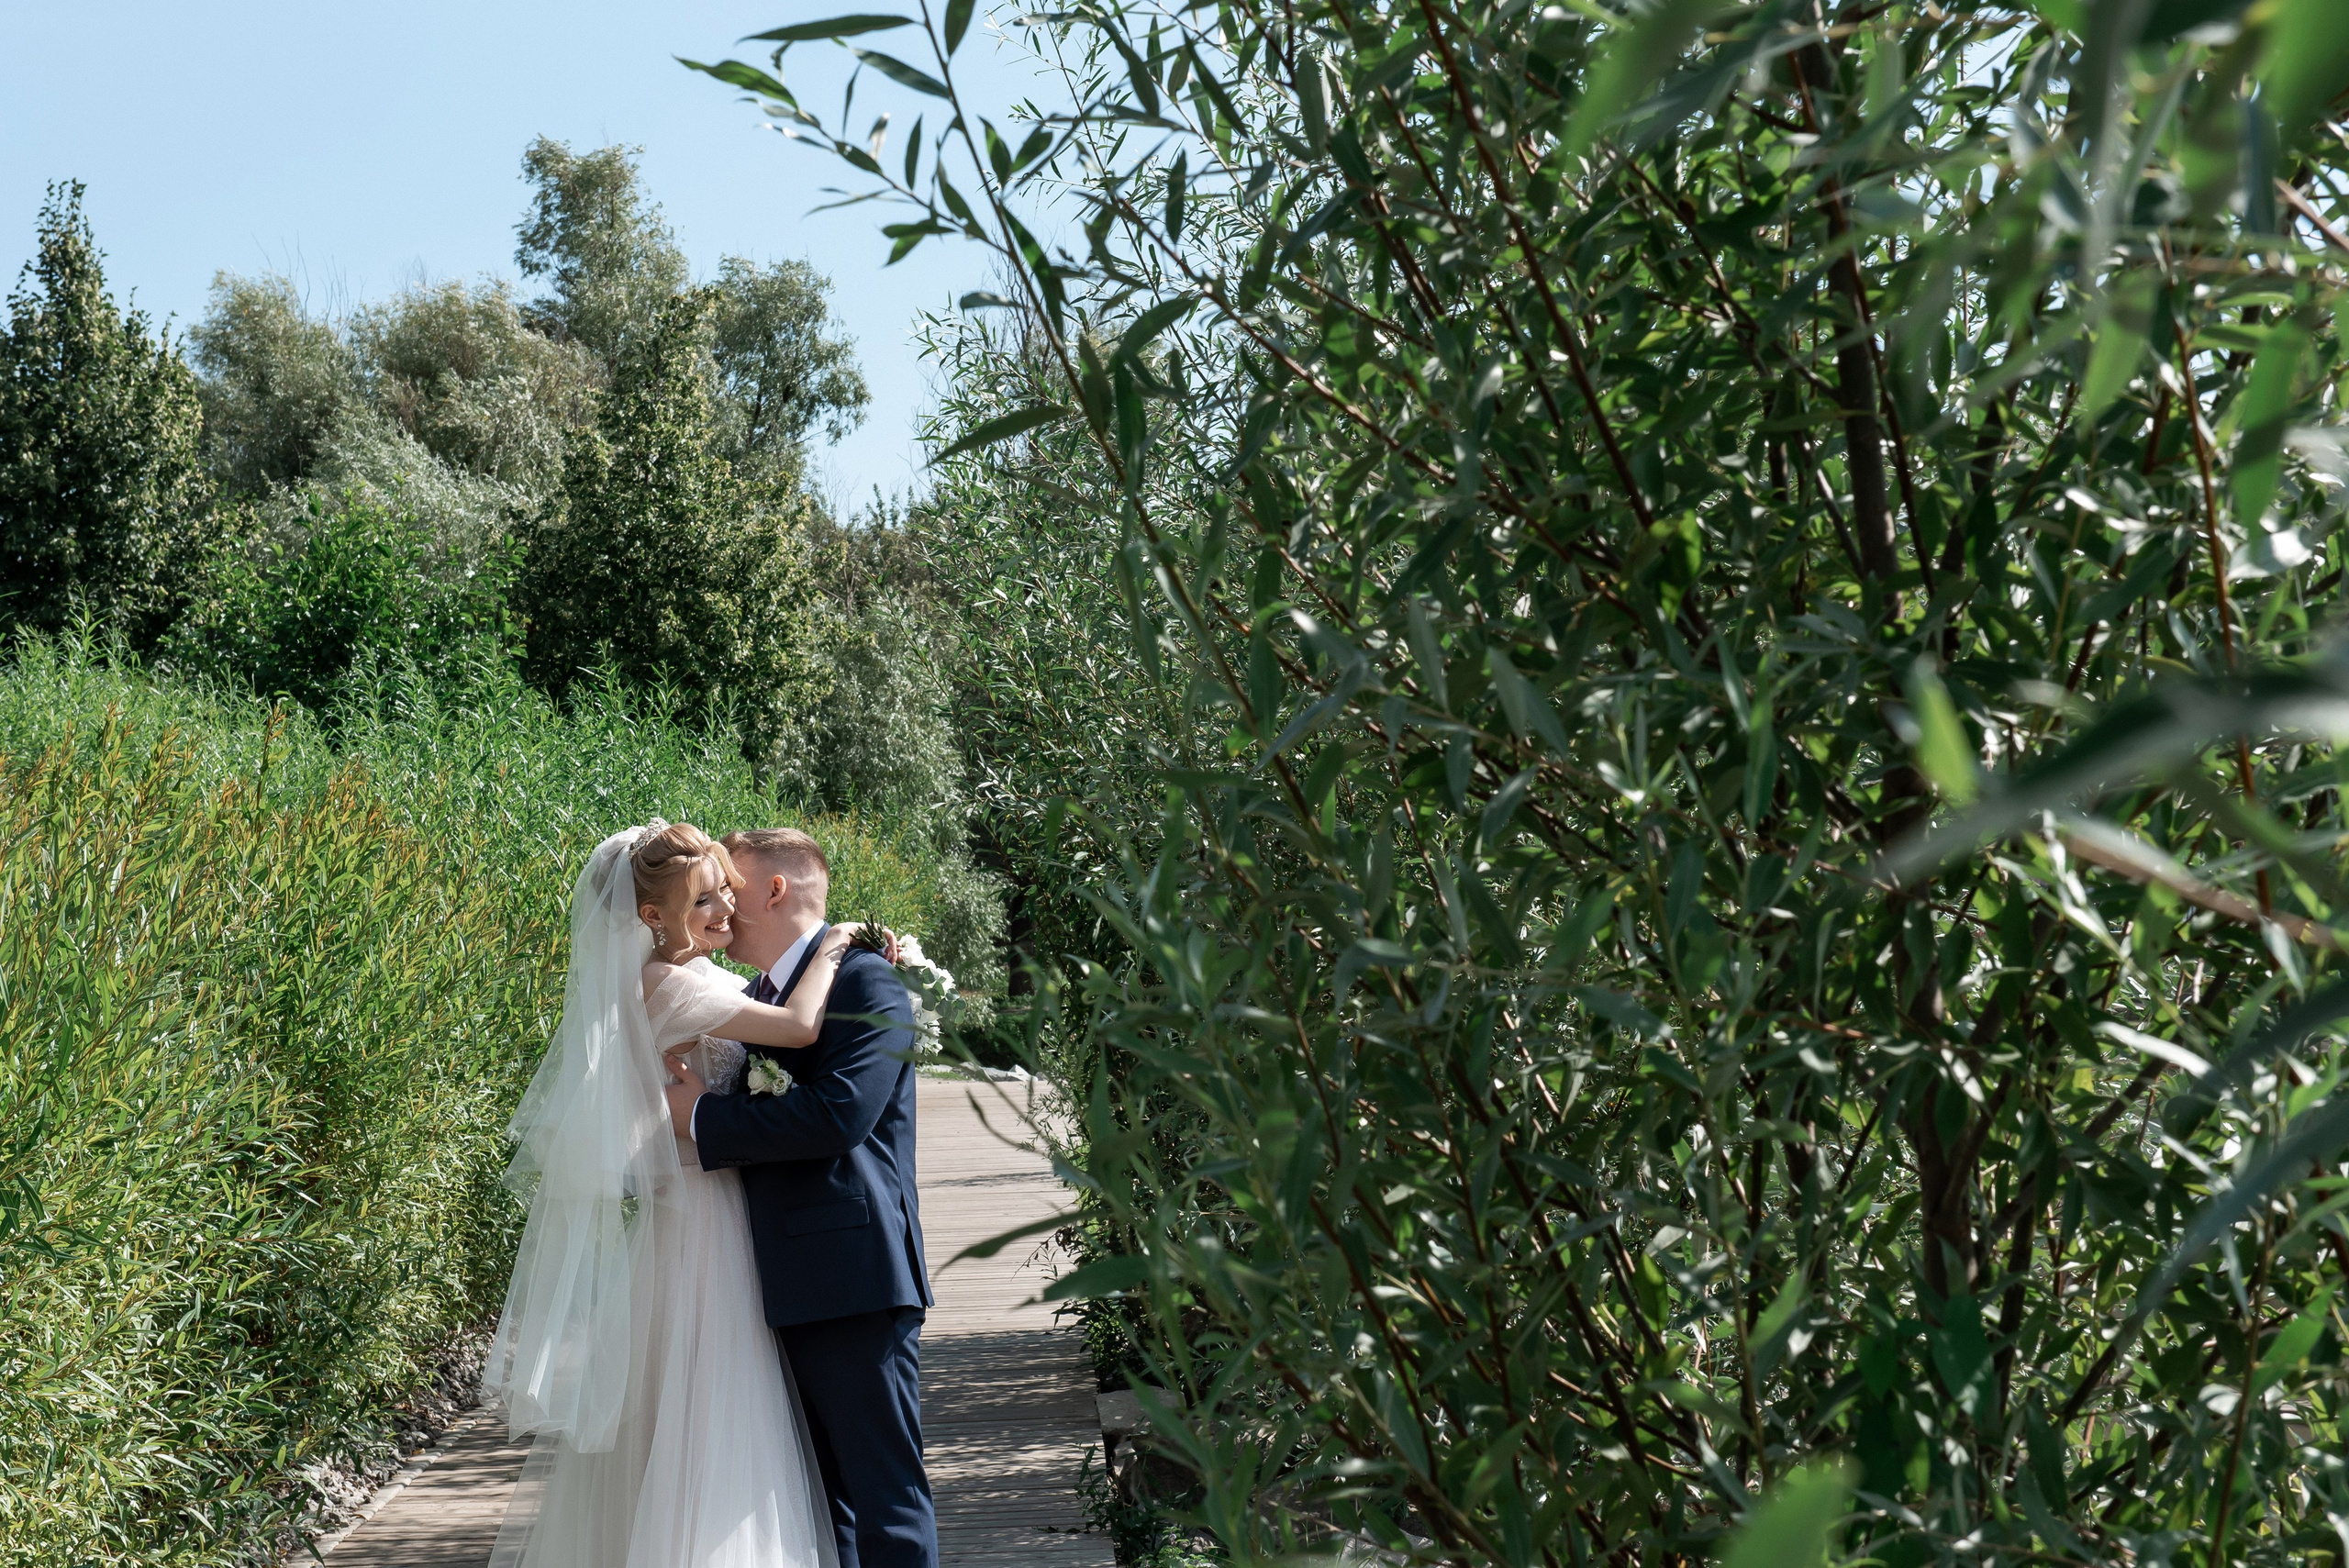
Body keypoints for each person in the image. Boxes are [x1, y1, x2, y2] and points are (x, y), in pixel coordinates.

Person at [484, 821, 890, 1568]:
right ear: (652, 916)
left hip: (720, 1210)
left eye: (724, 895)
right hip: (708, 1222)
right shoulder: (664, 983)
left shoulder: (697, 977)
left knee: (717, 1417)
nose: (724, 913)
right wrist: (836, 945)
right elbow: (800, 1027)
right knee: (718, 1412)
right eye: (704, 899)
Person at [663, 826, 937, 1568]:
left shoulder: (867, 983)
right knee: (820, 1507)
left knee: (885, 1496)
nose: (717, 901)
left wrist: (706, 1119)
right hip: (771, 1282)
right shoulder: (756, 996)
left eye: (728, 883)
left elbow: (841, 1114)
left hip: (854, 1279)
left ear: (775, 889)